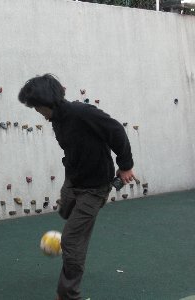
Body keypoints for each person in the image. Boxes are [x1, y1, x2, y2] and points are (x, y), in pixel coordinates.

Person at [18, 74, 135, 300]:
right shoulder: (57, 120)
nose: (36, 111)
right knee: (64, 211)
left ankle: (68, 294)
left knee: (71, 241)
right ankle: (77, 228)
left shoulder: (82, 113)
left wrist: (126, 166)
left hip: (95, 187)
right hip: (73, 180)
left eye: (37, 107)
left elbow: (117, 132)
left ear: (48, 102)